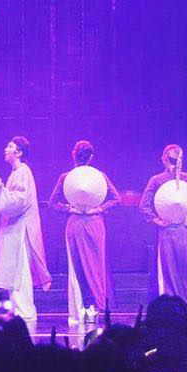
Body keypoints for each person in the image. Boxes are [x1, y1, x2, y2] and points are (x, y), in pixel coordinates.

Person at [0, 136, 50, 331]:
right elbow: (7, 200)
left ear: (19, 152)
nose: (6, 149)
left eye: (10, 147)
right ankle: (19, 312)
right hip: (12, 230)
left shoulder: (23, 171)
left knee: (20, 273)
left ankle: (25, 313)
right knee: (14, 274)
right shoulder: (14, 174)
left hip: (20, 231)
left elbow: (17, 201)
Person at [47, 140, 121, 327]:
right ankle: (94, 307)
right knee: (95, 265)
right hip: (92, 222)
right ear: (91, 157)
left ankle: (85, 306)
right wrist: (98, 209)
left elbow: (53, 203)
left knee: (79, 266)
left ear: (73, 155)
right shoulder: (95, 176)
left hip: (78, 222)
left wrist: (70, 208)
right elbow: (116, 199)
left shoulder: (70, 177)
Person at [139, 144, 187, 308]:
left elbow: (143, 206)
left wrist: (157, 220)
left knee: (171, 268)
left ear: (163, 159)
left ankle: (175, 303)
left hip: (173, 230)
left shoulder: (163, 179)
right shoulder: (182, 179)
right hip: (182, 230)